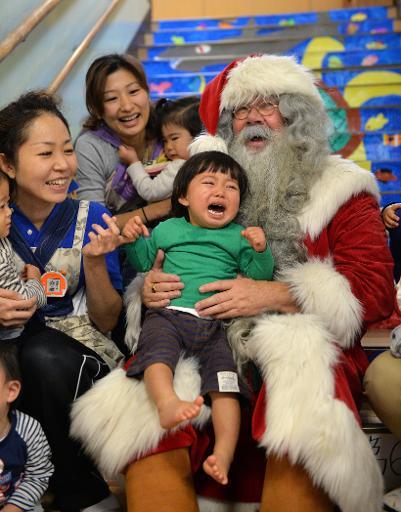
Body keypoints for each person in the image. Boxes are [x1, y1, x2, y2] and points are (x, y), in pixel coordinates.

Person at [71, 54, 395, 512]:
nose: (252, 120)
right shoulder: (211, 184)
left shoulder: (342, 189)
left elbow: (374, 289)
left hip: (301, 337)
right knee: (142, 405)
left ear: (297, 118)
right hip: (194, 328)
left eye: (268, 105)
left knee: (301, 385)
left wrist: (278, 294)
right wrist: (148, 288)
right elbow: (162, 252)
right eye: (240, 110)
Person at [0, 90, 124, 512]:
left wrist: (94, 263)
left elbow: (108, 321)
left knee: (40, 357)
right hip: (9, 347)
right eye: (45, 153)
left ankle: (82, 490)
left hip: (76, 349)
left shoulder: (93, 217)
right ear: (7, 164)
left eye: (68, 150)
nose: (62, 165)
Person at [121, 151, 274, 485]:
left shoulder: (239, 235)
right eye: (209, 183)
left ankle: (224, 452)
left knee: (226, 383)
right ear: (183, 197)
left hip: (214, 323)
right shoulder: (167, 229)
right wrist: (134, 240)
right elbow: (145, 263)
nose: (220, 191)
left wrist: (260, 250)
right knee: (157, 355)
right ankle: (167, 404)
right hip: (169, 315)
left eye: (231, 187)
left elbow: (259, 276)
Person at [75, 53, 171, 227]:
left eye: (134, 91)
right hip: (115, 248)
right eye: (112, 98)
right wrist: (156, 210)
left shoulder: (169, 130)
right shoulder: (91, 147)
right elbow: (93, 225)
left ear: (147, 92)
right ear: (97, 110)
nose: (127, 106)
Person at [119, 96, 203, 204]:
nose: (168, 146)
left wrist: (133, 162)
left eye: (174, 138)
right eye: (165, 140)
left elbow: (150, 191)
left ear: (198, 135)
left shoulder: (179, 166)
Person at [0, 343, 53, 511]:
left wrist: (12, 508)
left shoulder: (28, 429)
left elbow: (38, 476)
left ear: (11, 391)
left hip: (18, 503)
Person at [0, 171, 47, 342]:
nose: (9, 212)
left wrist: (15, 280)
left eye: (8, 204)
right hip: (11, 342)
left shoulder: (3, 241)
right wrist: (35, 280)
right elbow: (28, 303)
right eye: (1, 207)